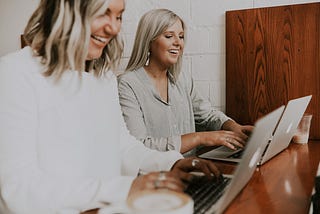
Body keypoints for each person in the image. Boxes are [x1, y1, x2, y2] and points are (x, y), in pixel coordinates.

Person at [0, 1, 220, 213]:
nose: (114, 27)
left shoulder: (103, 77)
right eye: (103, 13)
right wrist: (124, 189)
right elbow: (18, 191)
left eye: (119, 16)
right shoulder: (15, 72)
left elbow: (123, 147)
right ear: (67, 9)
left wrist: (170, 163)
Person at [118, 9, 254, 156]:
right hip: (156, 175)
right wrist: (199, 138)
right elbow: (140, 146)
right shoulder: (127, 85)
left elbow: (206, 115)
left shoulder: (182, 78)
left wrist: (233, 127)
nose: (178, 43)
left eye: (181, 37)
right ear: (149, 41)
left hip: (191, 169)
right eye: (169, 36)